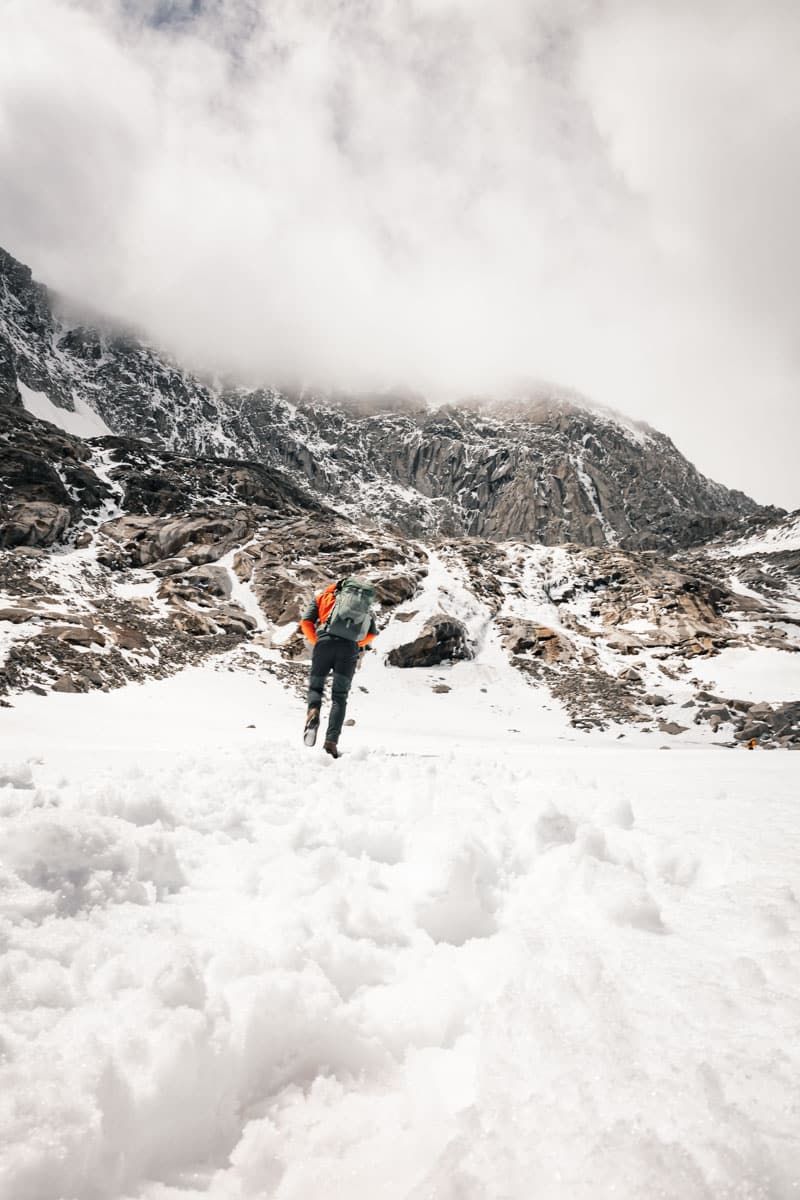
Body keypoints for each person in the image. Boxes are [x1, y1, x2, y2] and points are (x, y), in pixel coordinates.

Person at [299, 577, 377, 758]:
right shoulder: (363, 605)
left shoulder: (323, 597)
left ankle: (313, 712)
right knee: (339, 697)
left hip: (324, 644)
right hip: (349, 649)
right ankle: (331, 743)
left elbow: (306, 622)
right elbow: (371, 633)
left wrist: (317, 641)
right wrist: (356, 644)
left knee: (316, 687)